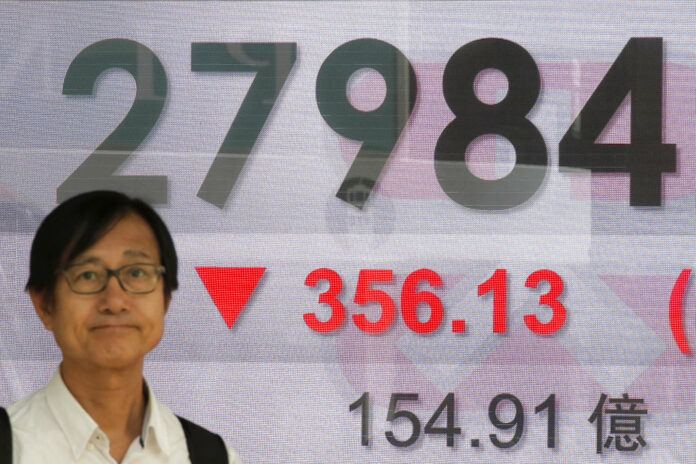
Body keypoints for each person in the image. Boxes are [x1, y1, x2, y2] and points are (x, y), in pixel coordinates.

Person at [1, 191, 242, 463]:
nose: (115, 301)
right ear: (44, 304)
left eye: (137, 273)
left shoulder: (211, 456)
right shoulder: (12, 445)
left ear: (165, 300)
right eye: (87, 275)